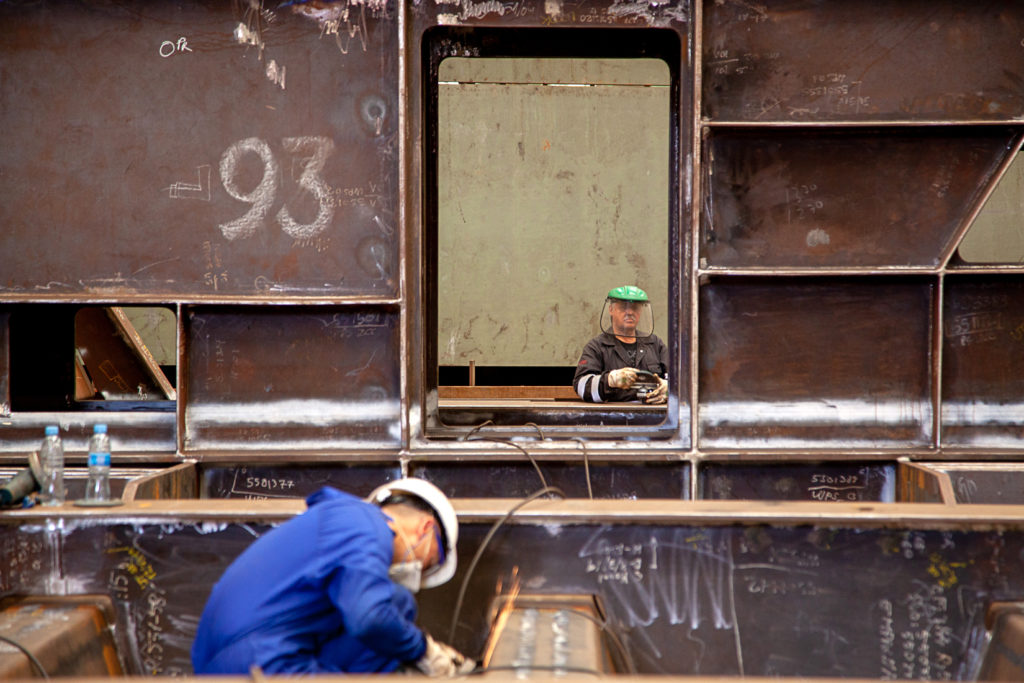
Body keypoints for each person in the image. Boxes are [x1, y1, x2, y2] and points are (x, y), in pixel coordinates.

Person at [191, 478, 474, 676]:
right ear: (425, 528)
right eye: (428, 564)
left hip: (226, 658)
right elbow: (370, 618)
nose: (417, 572)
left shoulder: (341, 519)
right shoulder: (367, 529)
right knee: (397, 603)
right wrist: (423, 651)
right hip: (258, 662)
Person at [573, 285, 668, 404]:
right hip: (612, 417)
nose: (629, 312)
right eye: (623, 307)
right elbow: (581, 386)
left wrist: (669, 388)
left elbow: (681, 379)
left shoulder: (655, 344)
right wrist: (610, 380)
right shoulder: (596, 347)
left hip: (655, 418)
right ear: (611, 310)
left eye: (635, 308)